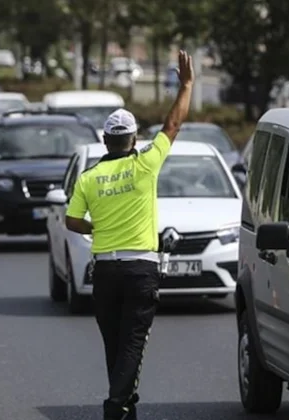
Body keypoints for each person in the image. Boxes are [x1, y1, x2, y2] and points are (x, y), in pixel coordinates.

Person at [64, 50, 195, 420]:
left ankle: (124, 408)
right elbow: (173, 125)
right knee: (133, 343)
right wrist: (186, 86)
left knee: (115, 345)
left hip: (105, 271)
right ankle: (115, 407)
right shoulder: (145, 165)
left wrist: (96, 227)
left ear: (106, 141)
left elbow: (72, 221)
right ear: (134, 140)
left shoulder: (88, 178)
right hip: (140, 270)